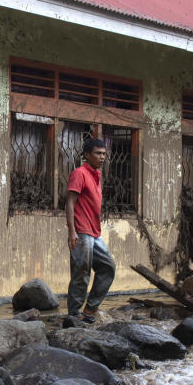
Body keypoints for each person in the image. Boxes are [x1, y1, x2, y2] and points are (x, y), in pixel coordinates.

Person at [65, 137, 116, 323]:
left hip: (95, 233)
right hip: (81, 231)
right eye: (98, 153)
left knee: (108, 267)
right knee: (82, 271)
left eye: (104, 154)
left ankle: (90, 308)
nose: (102, 157)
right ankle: (74, 313)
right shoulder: (80, 173)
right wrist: (72, 231)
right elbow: (70, 202)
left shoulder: (96, 175)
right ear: (87, 155)